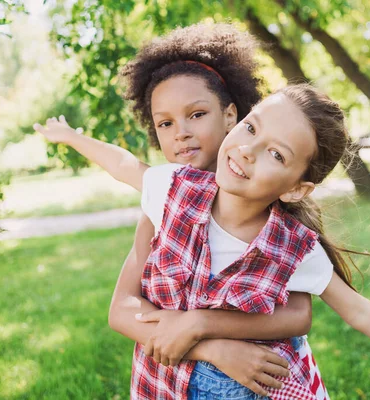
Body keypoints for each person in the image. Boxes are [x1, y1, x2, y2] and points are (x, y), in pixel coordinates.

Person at [35, 23, 324, 397]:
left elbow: (298, 314)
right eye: (165, 123)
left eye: (197, 114)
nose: (180, 133)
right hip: (170, 381)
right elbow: (122, 309)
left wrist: (202, 323)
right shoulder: (163, 205)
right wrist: (212, 348)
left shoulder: (271, 203)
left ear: (231, 115)